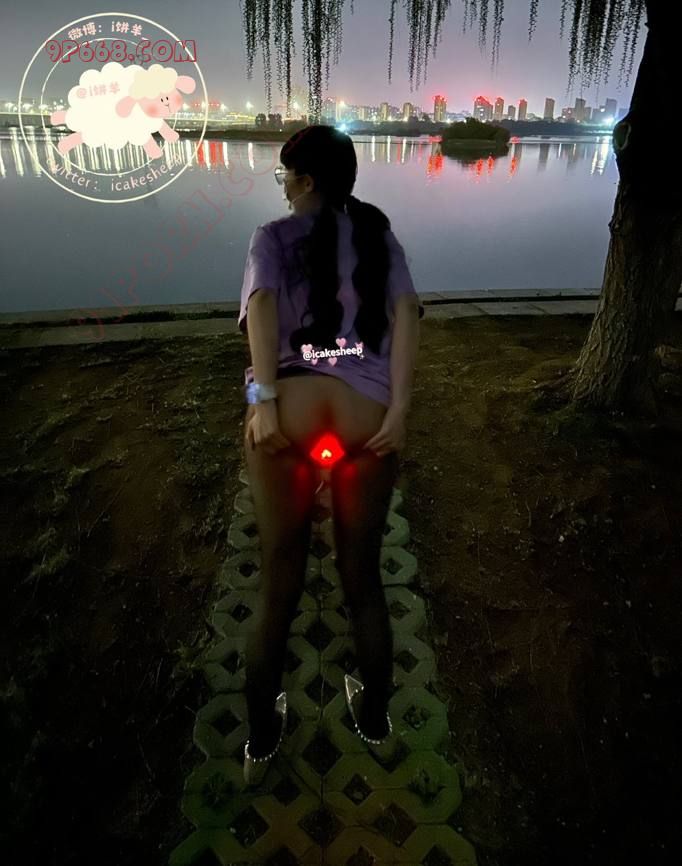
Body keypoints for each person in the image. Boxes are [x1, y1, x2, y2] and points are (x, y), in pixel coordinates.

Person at [239, 125, 423, 771]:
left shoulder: (271, 237)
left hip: (286, 413)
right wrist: (398, 411)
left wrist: (263, 400)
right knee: (363, 577)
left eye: (285, 175)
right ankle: (374, 723)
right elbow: (407, 315)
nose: (282, 187)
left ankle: (260, 742)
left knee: (278, 582)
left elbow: (262, 305)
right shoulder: (378, 235)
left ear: (307, 180)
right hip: (365, 417)